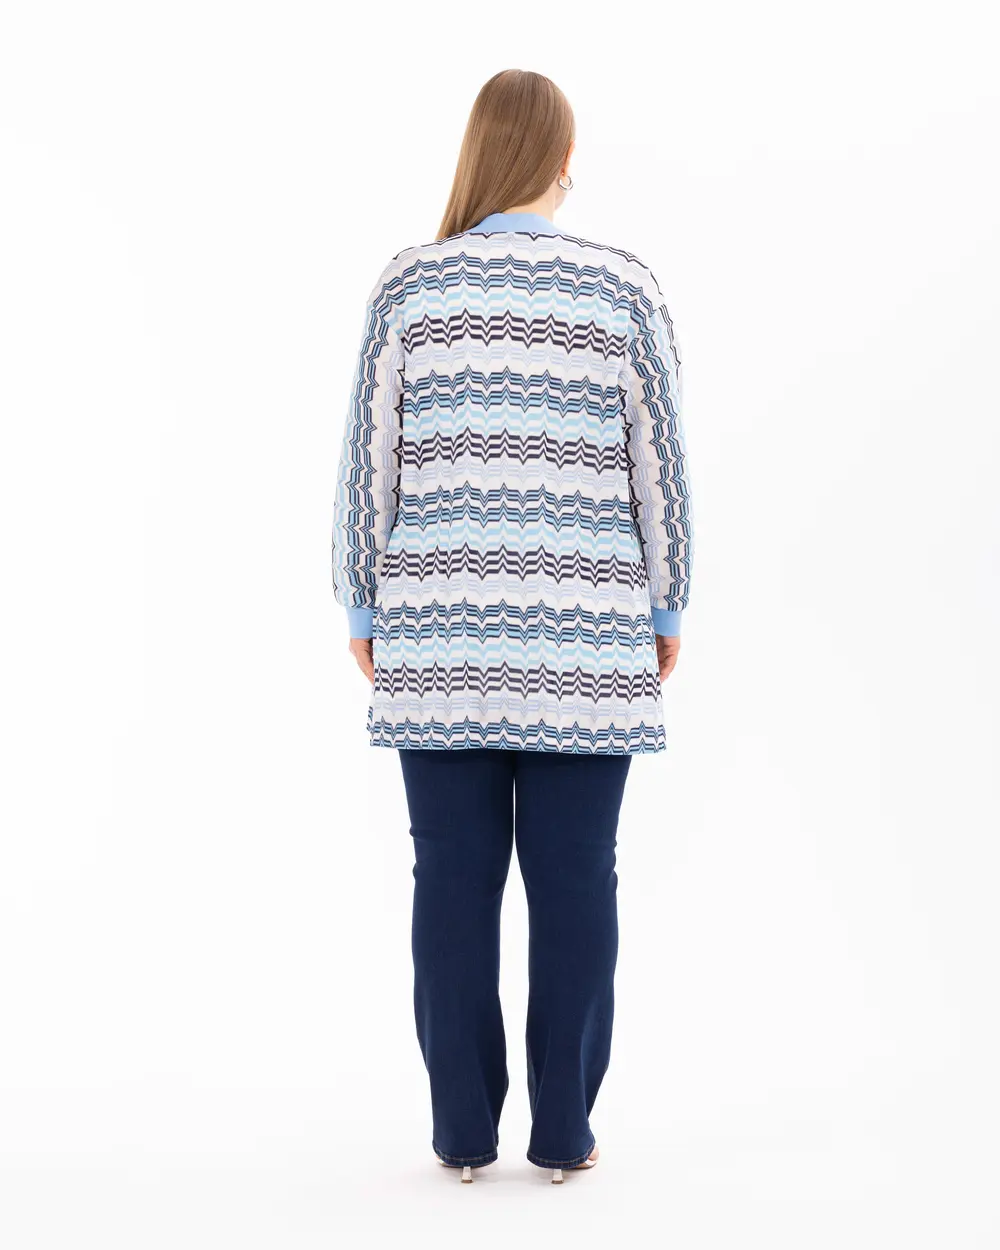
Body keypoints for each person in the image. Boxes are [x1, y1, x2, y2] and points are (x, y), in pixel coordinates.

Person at [331, 68, 692, 1184]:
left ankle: (460, 1135)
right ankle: (566, 1134)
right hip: (588, 635)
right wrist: (666, 601)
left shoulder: (409, 286)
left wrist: (362, 599)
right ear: (564, 159)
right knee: (578, 882)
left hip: (439, 636)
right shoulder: (623, 288)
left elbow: (366, 462)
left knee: (451, 882)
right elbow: (661, 466)